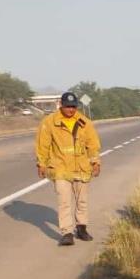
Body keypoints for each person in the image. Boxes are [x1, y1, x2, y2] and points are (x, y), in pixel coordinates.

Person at [35, 91, 102, 246]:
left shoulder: (85, 122)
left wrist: (96, 162)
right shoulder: (49, 122)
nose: (71, 110)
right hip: (60, 168)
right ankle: (66, 233)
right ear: (61, 105)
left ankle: (81, 228)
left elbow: (93, 145)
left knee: (82, 201)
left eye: (73, 106)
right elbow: (42, 145)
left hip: (81, 167)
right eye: (67, 106)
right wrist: (41, 164)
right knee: (64, 201)